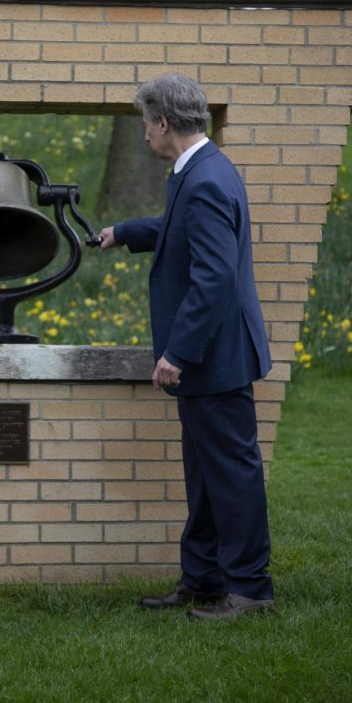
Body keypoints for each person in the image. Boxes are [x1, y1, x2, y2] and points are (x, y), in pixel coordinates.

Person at [99, 73, 274, 621]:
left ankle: (249, 590)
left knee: (231, 475)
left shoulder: (203, 181)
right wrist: (125, 232)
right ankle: (203, 580)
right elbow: (178, 230)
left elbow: (215, 279)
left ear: (164, 123)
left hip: (214, 360)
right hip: (212, 360)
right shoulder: (197, 171)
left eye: (145, 125)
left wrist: (177, 352)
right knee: (204, 475)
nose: (144, 135)